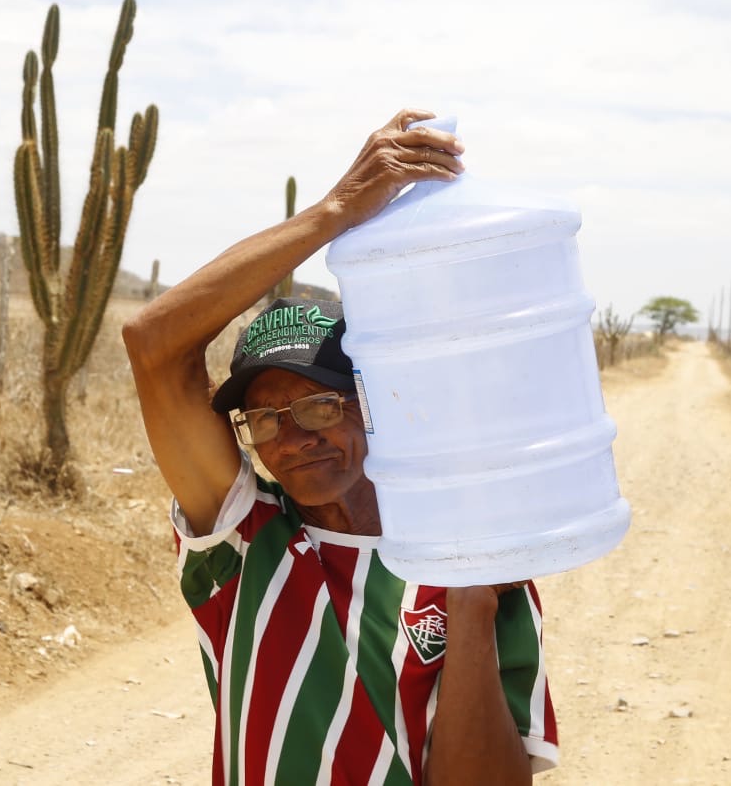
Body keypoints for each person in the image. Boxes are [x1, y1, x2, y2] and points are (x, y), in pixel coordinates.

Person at [122, 109, 558, 785]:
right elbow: (152, 344)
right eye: (264, 420)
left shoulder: (476, 558)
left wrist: (471, 604)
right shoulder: (244, 542)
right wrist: (336, 211)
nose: (293, 439)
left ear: (373, 402)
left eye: (318, 405)